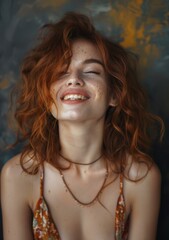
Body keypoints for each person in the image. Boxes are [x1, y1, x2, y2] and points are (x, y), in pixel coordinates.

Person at [1, 12, 164, 240]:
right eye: (60, 72)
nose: (74, 79)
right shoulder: (18, 175)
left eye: (91, 71)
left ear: (114, 95)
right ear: (46, 96)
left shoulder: (140, 177)